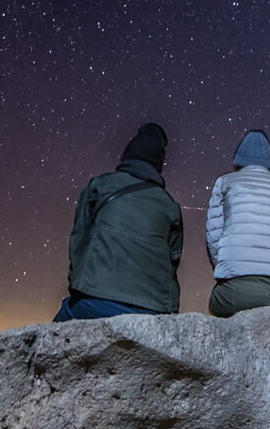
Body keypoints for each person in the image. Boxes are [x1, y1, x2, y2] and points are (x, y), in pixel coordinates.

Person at [54, 123, 183, 321]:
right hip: (151, 310)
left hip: (94, 301)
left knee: (53, 335)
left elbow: (79, 239)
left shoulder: (99, 185)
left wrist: (80, 285)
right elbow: (172, 261)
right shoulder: (170, 205)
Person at [205, 129, 270, 318]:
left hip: (239, 292)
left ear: (239, 158)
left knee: (216, 305)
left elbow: (214, 236)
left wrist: (229, 269)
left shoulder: (225, 183)